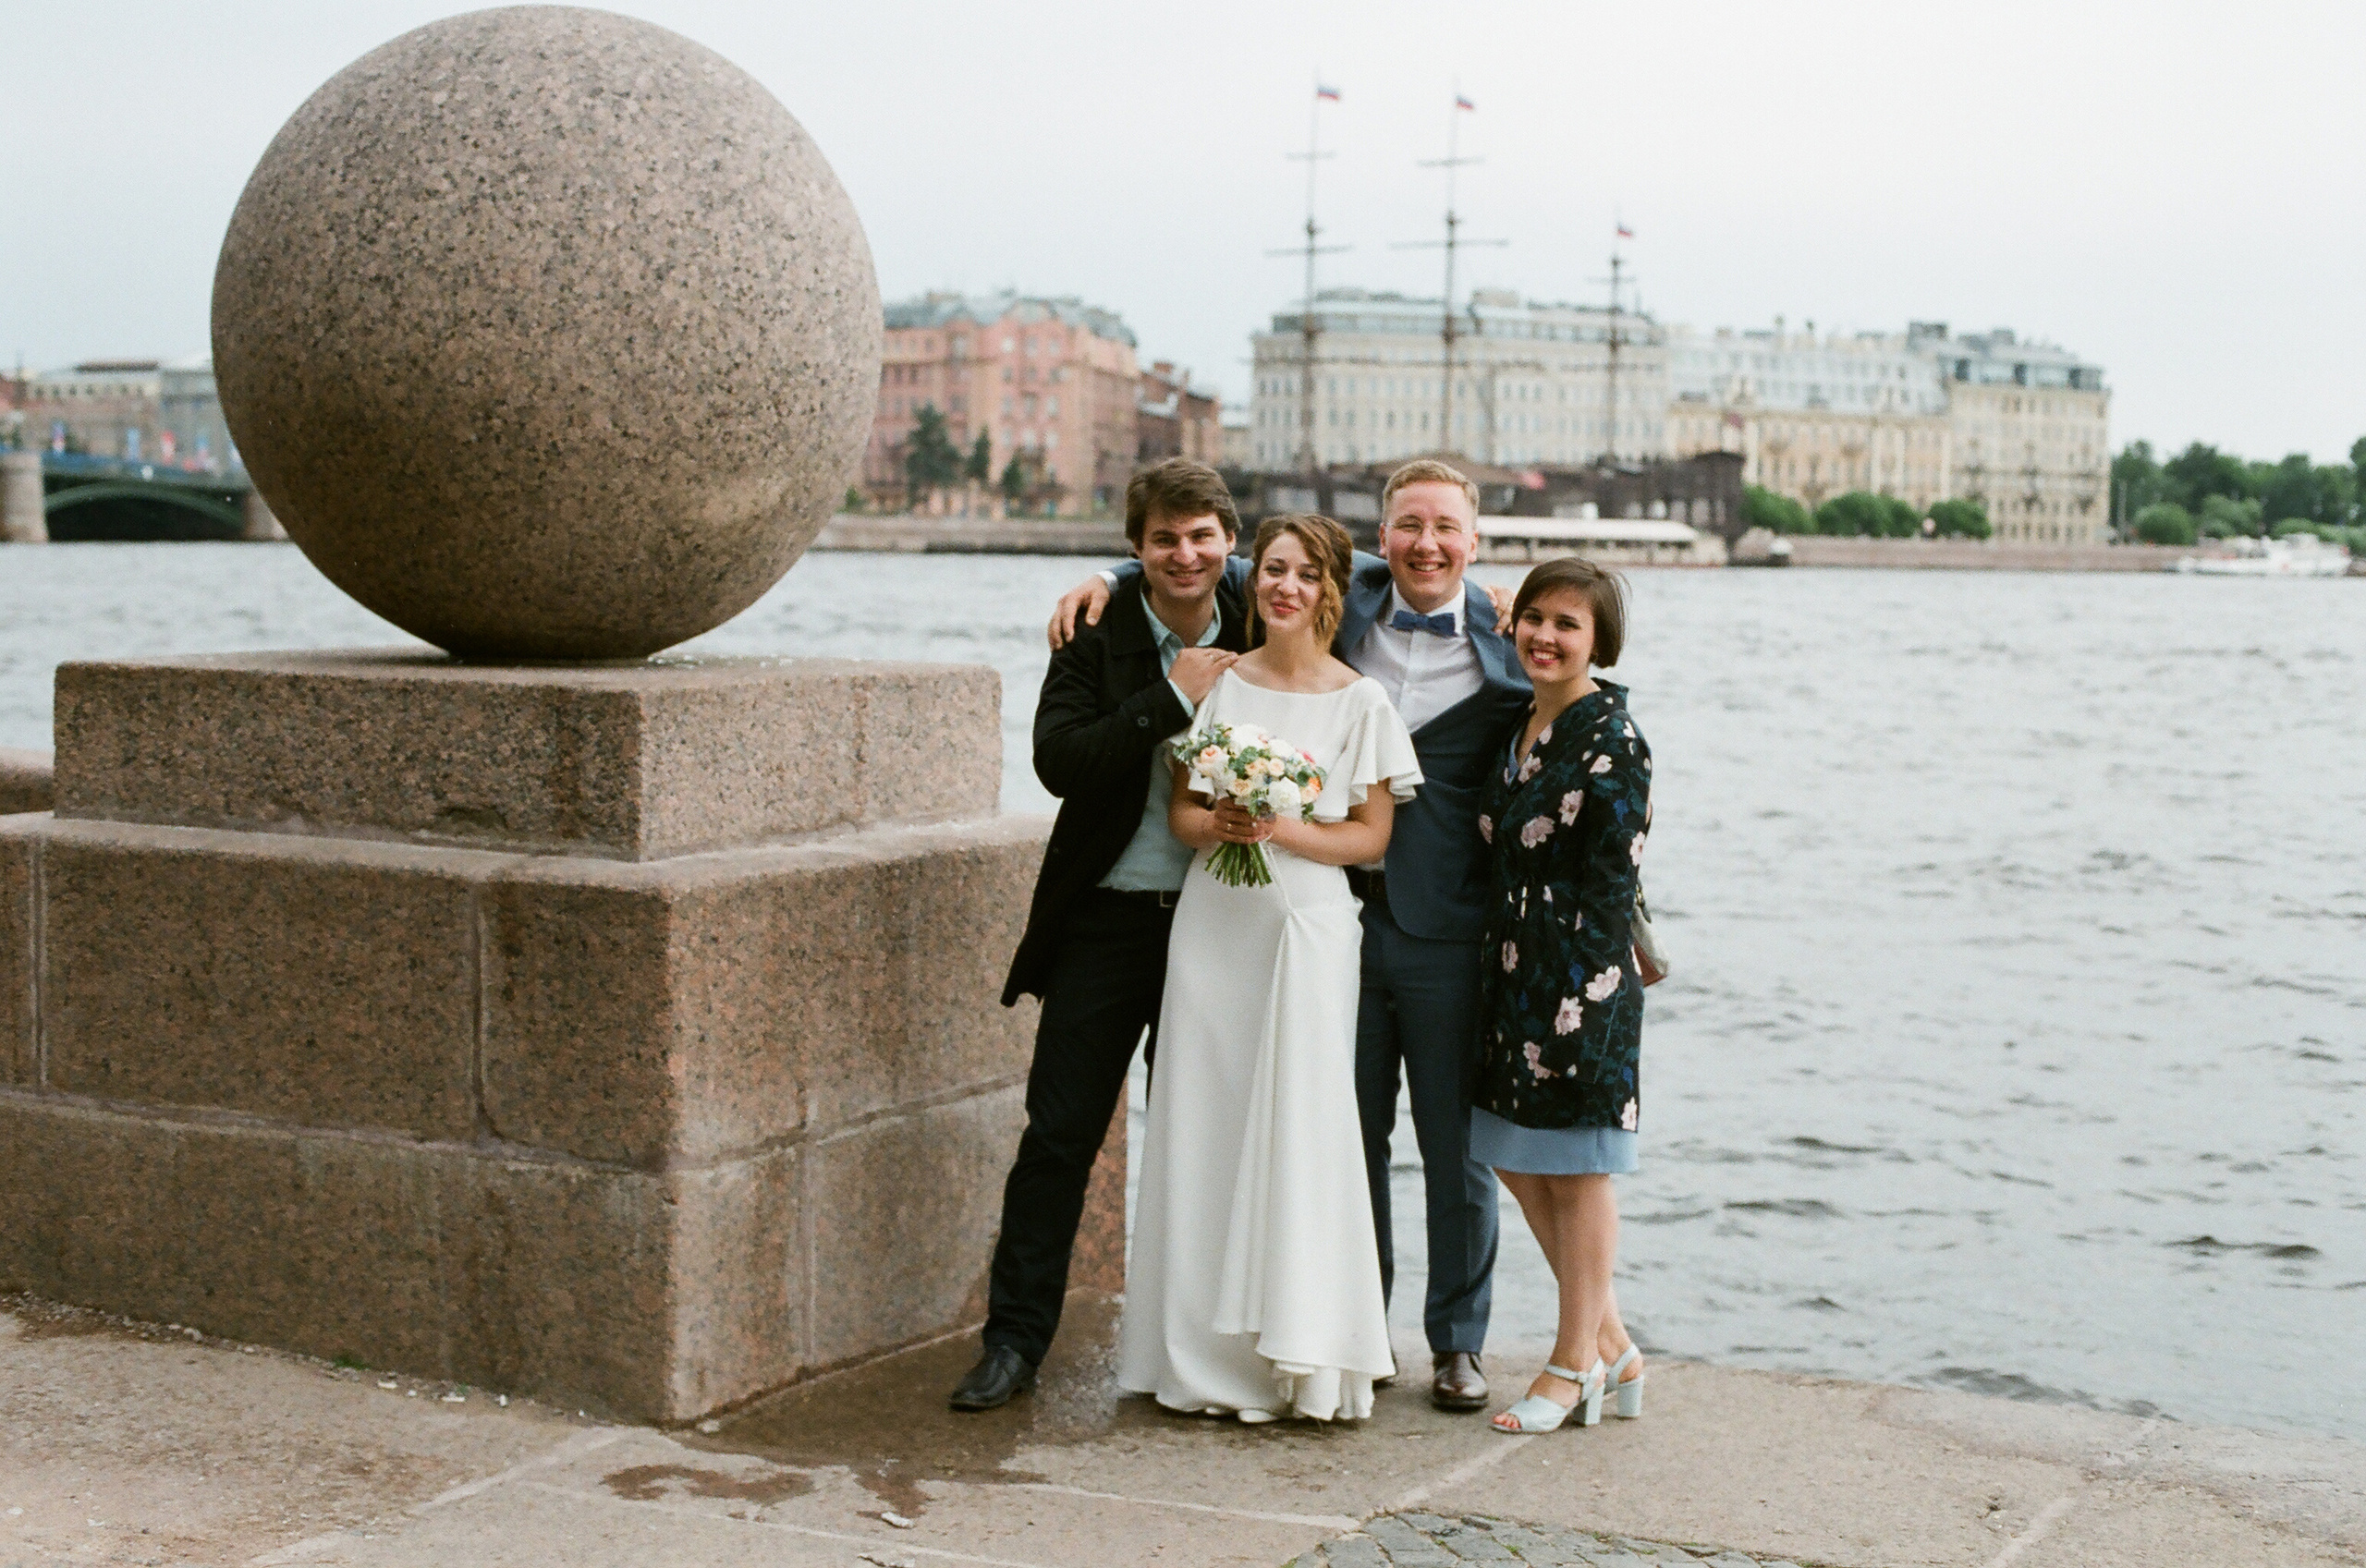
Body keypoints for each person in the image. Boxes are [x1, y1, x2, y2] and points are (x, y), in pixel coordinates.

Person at [1053, 459, 1529, 1412]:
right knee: (1331, 1139)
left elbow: (1565, 716)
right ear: (1380, 538)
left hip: (1429, 926)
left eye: (1445, 527)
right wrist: (1104, 581)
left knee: (1452, 1146)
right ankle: (1357, 1332)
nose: (1424, 543)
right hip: (1273, 924)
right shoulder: (1322, 606)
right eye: (1407, 525)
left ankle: (1457, 1344)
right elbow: (1211, 563)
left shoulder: (1510, 636)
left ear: (1475, 541)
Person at [949, 457, 1250, 1413]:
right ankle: (1013, 1341)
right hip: (1108, 920)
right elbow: (1057, 760)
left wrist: (1484, 589)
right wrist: (1167, 694)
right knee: (1060, 1135)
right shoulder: (1095, 627)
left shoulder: (1262, 610)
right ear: (1135, 546)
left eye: (1202, 535)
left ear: (1229, 542)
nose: (1184, 554)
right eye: (1162, 539)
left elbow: (1356, 570)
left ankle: (1193, 1347)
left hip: (1221, 919)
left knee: (1207, 1138)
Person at [1117, 514, 1420, 1421]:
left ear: (1331, 589)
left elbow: (1369, 836)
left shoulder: (1359, 700)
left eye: (1302, 572)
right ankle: (1196, 1354)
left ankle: (1298, 1352)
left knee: (1300, 1121)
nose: (1284, 585)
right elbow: (1183, 812)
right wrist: (1224, 824)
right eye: (1273, 569)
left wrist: (1278, 826)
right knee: (1203, 1115)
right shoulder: (1224, 683)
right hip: (1216, 923)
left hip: (1307, 928)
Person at [1471, 557, 1653, 1433]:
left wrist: (1582, 1004)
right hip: (1511, 970)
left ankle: (1571, 1361)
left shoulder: (1612, 738)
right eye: (1533, 617)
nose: (1545, 635)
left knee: (1579, 1170)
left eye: (1567, 624)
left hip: (1581, 981)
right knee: (1510, 1150)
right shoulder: (1520, 723)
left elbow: (1613, 882)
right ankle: (1614, 1340)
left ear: (1599, 641)